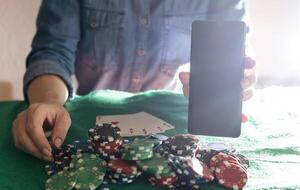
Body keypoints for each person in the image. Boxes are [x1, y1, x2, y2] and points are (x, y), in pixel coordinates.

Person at [12, 0, 256, 161]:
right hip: (86, 121)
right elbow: (52, 51)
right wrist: (49, 101)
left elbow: (234, 52)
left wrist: (234, 80)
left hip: (176, 120)